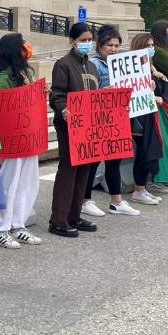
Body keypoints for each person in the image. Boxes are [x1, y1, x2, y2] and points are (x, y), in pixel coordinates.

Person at [0, 34, 45, 248]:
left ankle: (18, 224)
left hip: (28, 137)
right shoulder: (2, 77)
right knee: (9, 183)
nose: (26, 47)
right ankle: (0, 228)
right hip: (10, 140)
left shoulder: (27, 71)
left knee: (27, 182)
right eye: (22, 45)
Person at [49, 22, 101, 238]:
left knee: (84, 170)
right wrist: (64, 110)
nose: (87, 44)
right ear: (73, 41)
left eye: (90, 40)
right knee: (69, 170)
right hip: (69, 125)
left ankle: (74, 214)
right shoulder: (63, 64)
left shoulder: (92, 66)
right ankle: (58, 219)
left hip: (88, 126)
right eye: (83, 40)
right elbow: (56, 95)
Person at [83, 27, 140, 217]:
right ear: (99, 46)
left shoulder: (122, 63)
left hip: (118, 118)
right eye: (109, 45)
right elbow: (89, 92)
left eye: (116, 45)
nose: (114, 49)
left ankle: (116, 201)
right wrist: (109, 89)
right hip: (100, 119)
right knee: (94, 160)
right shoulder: (94, 64)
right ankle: (85, 200)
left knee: (114, 161)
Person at [128, 33, 167, 205]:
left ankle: (142, 188)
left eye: (152, 45)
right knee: (143, 153)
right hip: (138, 116)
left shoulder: (150, 66)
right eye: (147, 45)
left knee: (147, 152)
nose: (151, 48)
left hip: (149, 114)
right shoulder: (133, 66)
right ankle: (138, 190)